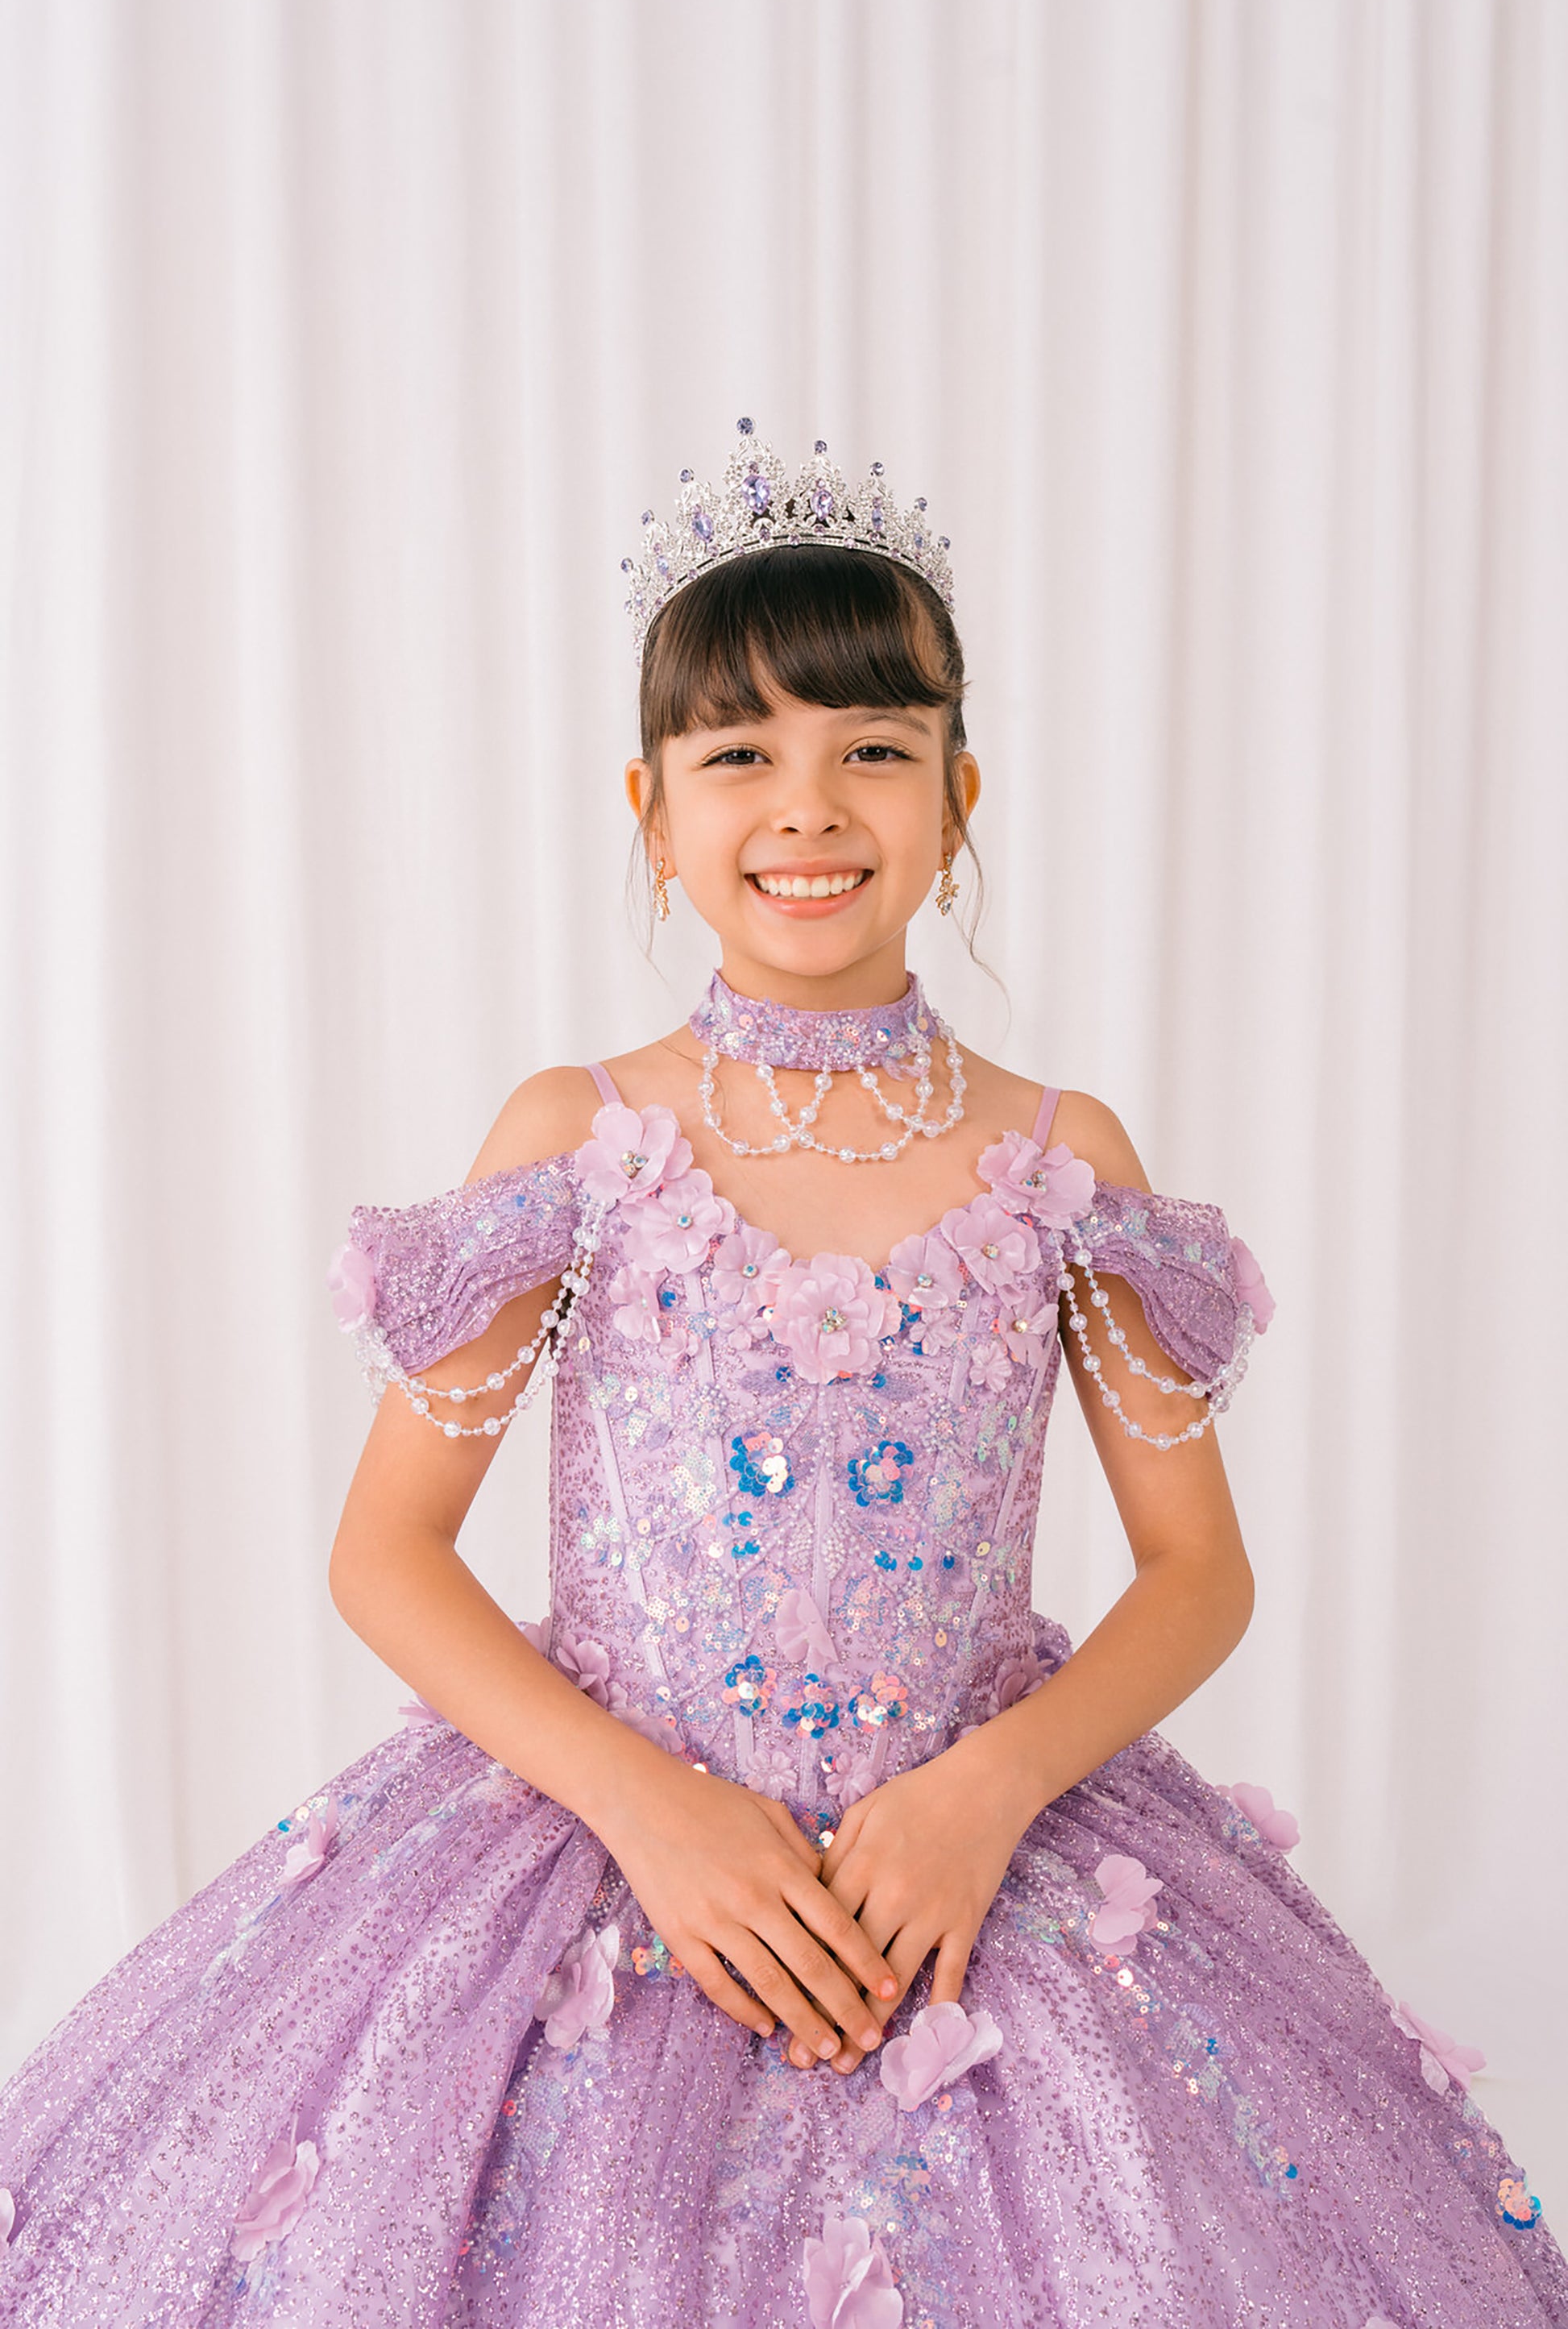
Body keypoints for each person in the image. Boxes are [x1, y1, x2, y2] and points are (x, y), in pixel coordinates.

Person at [0, 426, 1562, 2329]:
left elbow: (1197, 1571)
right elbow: (388, 1548)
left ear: (957, 794)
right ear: (651, 810)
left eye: (871, 751)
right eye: (740, 755)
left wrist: (985, 1792)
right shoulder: (583, 1135)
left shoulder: (1060, 1157)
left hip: (973, 1855)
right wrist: (648, 1808)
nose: (806, 808)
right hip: (600, 1834)